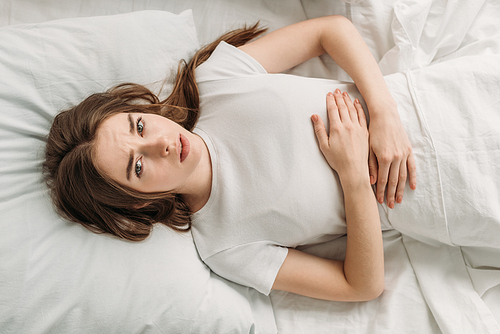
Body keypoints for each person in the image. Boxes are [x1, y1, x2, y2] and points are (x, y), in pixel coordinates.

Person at [44, 16, 417, 302]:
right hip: (441, 198)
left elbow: (331, 30)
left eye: (139, 126)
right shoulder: (223, 247)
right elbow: (361, 286)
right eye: (137, 167)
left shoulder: (214, 81)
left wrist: (383, 112)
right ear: (140, 200)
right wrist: (353, 175)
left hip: (428, 97)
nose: (161, 144)